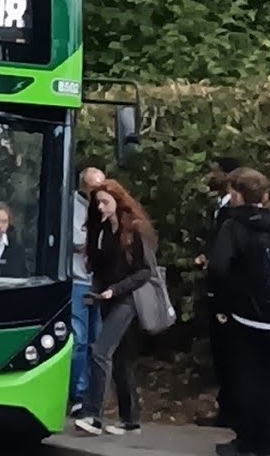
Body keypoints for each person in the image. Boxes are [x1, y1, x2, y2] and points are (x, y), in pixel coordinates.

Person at [74, 180, 157, 437]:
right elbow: (99, 267)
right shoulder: (101, 230)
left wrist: (116, 290)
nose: (100, 207)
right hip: (106, 296)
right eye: (97, 203)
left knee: (100, 351)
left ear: (118, 202)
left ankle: (93, 414)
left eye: (105, 202)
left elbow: (144, 271)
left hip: (127, 298)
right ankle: (130, 420)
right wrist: (96, 292)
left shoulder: (133, 229)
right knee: (121, 359)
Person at [209, 168, 270, 456]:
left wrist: (225, 304)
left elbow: (219, 267)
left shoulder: (233, 226)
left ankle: (246, 441)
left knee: (244, 380)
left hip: (245, 316)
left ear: (237, 194)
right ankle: (268, 439)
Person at [195, 156, 242, 428]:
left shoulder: (233, 214)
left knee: (229, 352)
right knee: (221, 352)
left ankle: (232, 411)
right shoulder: (220, 207)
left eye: (215, 172)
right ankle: (227, 407)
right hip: (217, 282)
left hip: (227, 291)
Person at [69, 167, 105, 415]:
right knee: (79, 340)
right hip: (79, 280)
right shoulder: (72, 206)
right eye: (94, 189)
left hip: (101, 282)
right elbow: (77, 242)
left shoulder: (105, 206)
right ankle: (77, 393)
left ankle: (94, 393)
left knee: (98, 340)